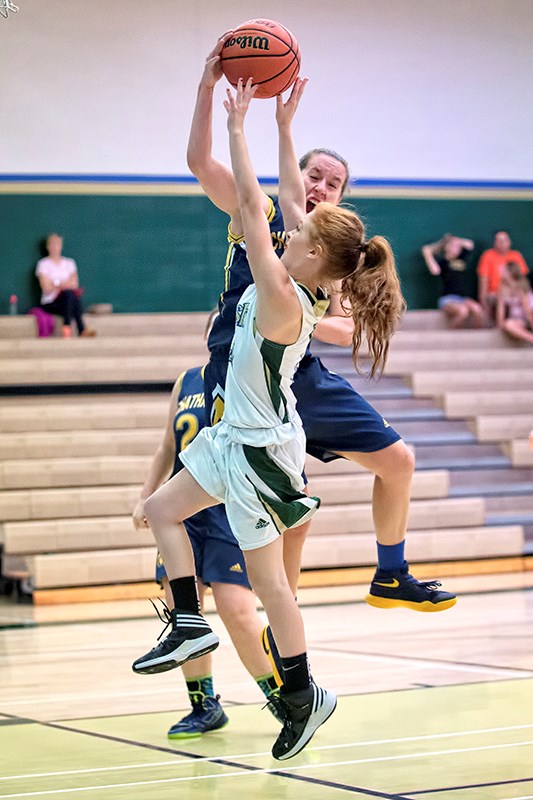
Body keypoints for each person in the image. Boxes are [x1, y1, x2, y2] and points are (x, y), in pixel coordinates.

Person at [132, 76, 404, 761]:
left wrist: (235, 126)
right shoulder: (299, 275)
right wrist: (284, 128)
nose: (295, 218)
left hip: (259, 448)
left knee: (268, 583)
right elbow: (281, 199)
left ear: (310, 256)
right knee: (162, 511)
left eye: (303, 227)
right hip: (234, 434)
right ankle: (191, 625)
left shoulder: (282, 294)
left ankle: (304, 692)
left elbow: (256, 205)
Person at [186, 32, 456, 643]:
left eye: (332, 184)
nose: (319, 186)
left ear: (338, 205)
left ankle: (390, 574)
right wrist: (213, 94)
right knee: (291, 514)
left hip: (296, 370)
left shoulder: (324, 257)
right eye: (314, 174)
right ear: (298, 174)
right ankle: (268, 626)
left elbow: (347, 326)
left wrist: (311, 321)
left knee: (399, 462)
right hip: (246, 373)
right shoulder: (256, 211)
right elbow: (205, 164)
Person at [132, 361, 282, 739]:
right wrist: (145, 496)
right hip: (183, 510)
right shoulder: (186, 380)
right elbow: (168, 445)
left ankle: (281, 698)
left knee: (238, 609)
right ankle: (204, 705)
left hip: (225, 508)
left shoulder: (245, 373)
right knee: (183, 609)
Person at [36, 233, 96, 337]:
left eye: (57, 244)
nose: (55, 247)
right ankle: (81, 329)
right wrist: (64, 283)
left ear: (61, 246)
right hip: (51, 303)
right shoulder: (43, 264)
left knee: (69, 295)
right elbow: (46, 288)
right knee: (70, 295)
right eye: (52, 244)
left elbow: (74, 284)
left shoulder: (69, 263)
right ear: (47, 247)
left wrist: (55, 283)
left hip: (67, 302)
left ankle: (67, 327)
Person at [422, 234, 485, 328]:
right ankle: (451, 336)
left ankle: (476, 337)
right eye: (454, 246)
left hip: (463, 298)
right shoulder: (442, 262)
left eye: (458, 246)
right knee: (463, 311)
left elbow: (470, 244)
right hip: (448, 299)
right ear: (447, 247)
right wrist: (441, 243)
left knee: (478, 310)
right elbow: (433, 267)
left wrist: (456, 240)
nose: (458, 248)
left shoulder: (461, 258)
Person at [477, 231, 529, 319]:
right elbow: (483, 282)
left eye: (505, 240)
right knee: (501, 296)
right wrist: (483, 304)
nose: (502, 243)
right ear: (494, 243)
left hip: (515, 291)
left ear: (509, 242)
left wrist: (514, 291)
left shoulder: (516, 256)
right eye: (499, 241)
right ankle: (500, 326)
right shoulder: (488, 255)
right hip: (495, 293)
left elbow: (522, 280)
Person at [496, 261, 533, 345]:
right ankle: (530, 338)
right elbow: (500, 309)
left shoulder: (521, 286)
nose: (501, 272)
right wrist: (499, 326)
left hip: (529, 317)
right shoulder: (502, 288)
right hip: (518, 320)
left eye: (504, 270)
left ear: (510, 273)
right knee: (508, 324)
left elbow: (527, 309)